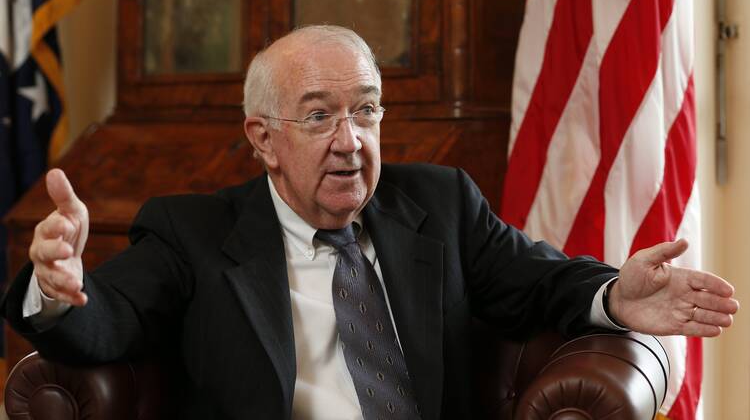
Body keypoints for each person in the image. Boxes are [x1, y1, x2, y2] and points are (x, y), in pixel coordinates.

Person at [2, 25, 739, 420]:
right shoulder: (193, 231)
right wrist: (56, 287)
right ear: (263, 138)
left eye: (366, 110)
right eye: (320, 116)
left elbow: (536, 279)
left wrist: (616, 296)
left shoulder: (440, 206)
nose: (351, 140)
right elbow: (110, 320)